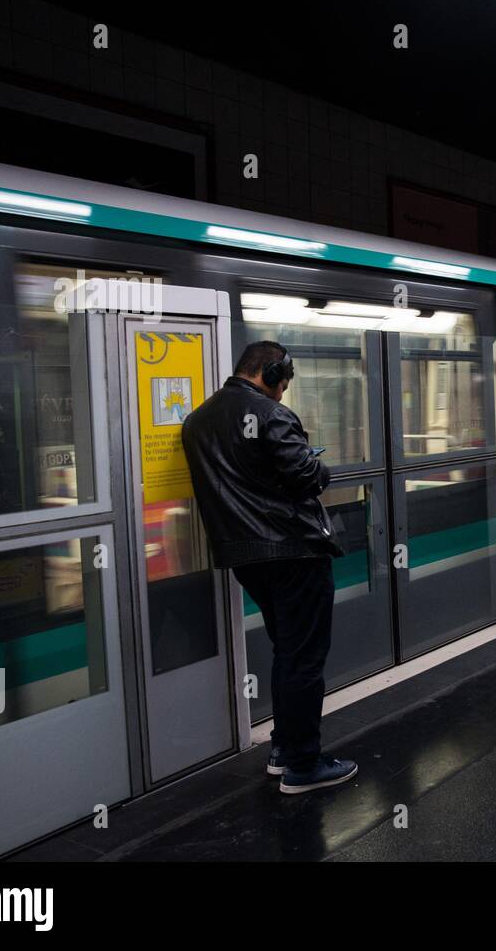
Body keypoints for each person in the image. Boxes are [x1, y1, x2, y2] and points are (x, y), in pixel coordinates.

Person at [181, 341, 357, 795]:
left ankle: (283, 748)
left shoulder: (197, 420)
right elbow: (304, 477)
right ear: (271, 371)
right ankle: (302, 764)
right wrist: (319, 468)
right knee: (304, 658)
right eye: (283, 384)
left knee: (288, 650)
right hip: (293, 552)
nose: (283, 394)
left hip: (244, 556)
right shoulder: (270, 414)